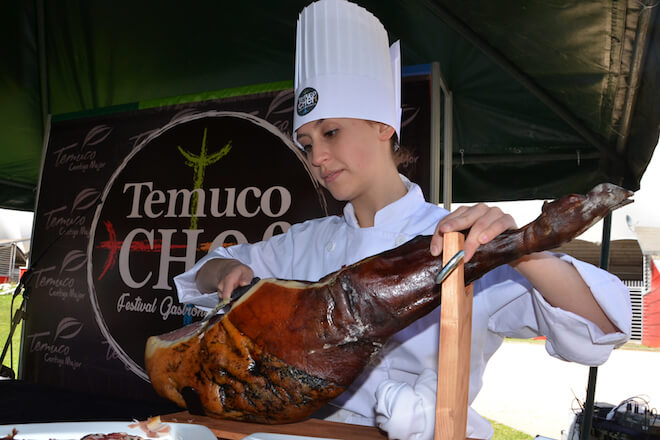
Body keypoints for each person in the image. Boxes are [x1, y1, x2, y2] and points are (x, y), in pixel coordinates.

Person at [174, 0, 632, 438]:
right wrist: (226, 271)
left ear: (383, 127)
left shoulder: (457, 238)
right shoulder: (305, 244)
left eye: (331, 132)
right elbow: (203, 271)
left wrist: (519, 250)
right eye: (307, 143)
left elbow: (601, 328)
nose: (318, 156)